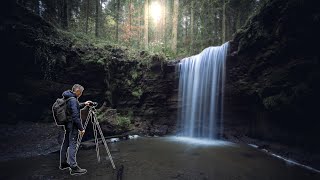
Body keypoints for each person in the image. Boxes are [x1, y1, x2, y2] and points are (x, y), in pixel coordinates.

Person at [59, 84, 92, 175]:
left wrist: (84, 104)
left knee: (66, 143)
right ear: (77, 91)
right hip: (72, 125)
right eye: (81, 92)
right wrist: (81, 129)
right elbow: (75, 116)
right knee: (73, 144)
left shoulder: (68, 97)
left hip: (67, 124)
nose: (81, 94)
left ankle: (63, 163)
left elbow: (74, 107)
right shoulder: (73, 99)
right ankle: (73, 167)